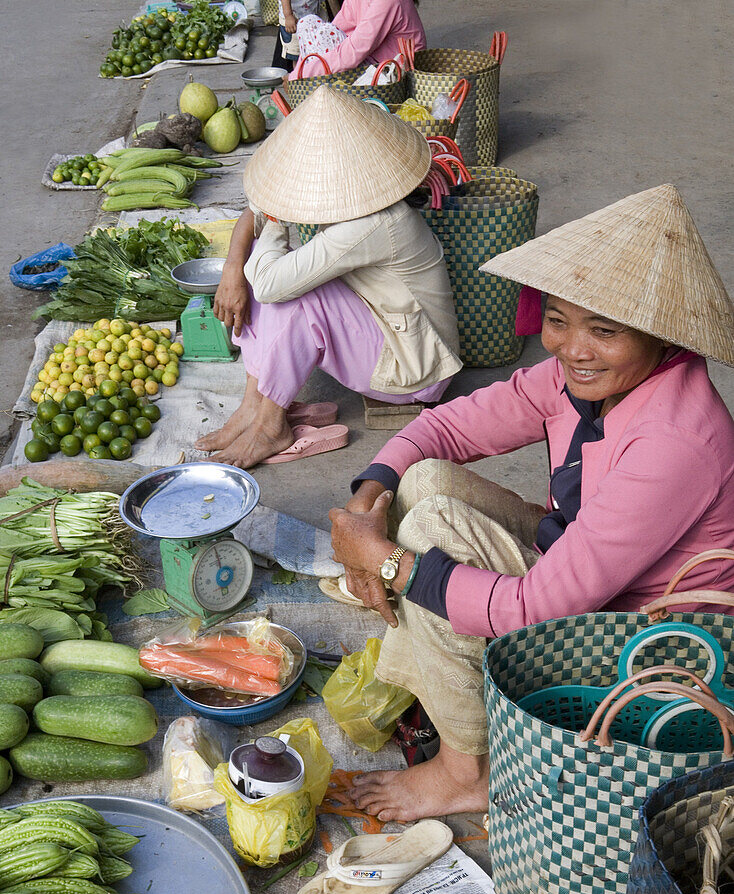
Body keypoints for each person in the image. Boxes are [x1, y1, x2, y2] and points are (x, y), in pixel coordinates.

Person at [329, 184, 734, 822]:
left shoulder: (674, 441)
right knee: (425, 479)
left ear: (660, 334)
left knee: (429, 531)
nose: (573, 348)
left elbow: (534, 608)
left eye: (604, 330)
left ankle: (471, 772)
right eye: (558, 320)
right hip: (574, 557)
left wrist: (384, 562)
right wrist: (365, 504)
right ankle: (445, 685)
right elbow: (447, 428)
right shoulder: (585, 376)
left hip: (648, 643)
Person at [198, 85, 460, 467]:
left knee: (296, 295)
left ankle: (271, 426)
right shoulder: (357, 193)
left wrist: (273, 223)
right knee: (260, 264)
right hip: (383, 322)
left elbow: (270, 280)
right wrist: (232, 268)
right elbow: (255, 212)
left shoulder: (377, 222)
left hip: (418, 367)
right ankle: (253, 405)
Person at [292, 0, 425, 77]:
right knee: (307, 23)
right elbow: (336, 29)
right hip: (370, 60)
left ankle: (310, 89)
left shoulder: (388, 2)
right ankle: (308, 88)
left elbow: (353, 52)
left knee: (325, 36)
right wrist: (298, 72)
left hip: (394, 73)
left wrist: (300, 75)